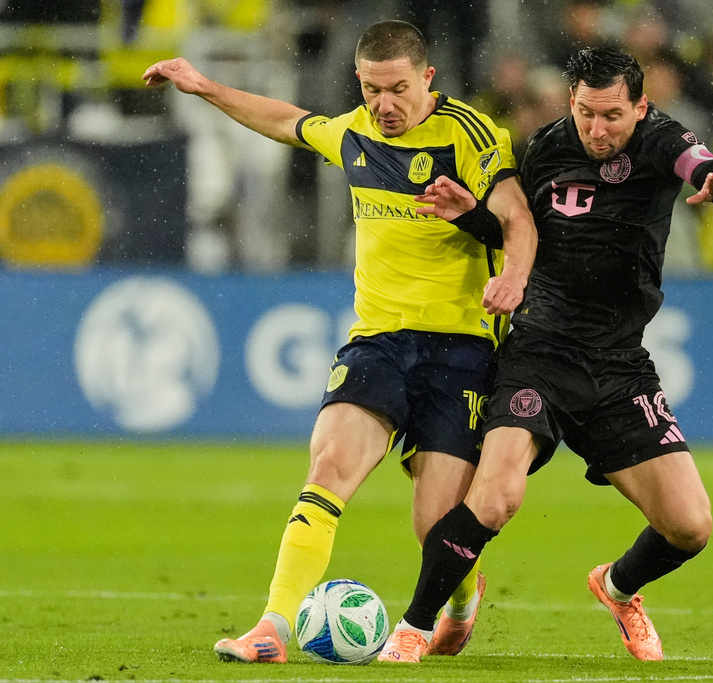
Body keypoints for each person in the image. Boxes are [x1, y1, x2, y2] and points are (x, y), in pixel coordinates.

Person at [142, 19, 537, 663]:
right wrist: (204, 86)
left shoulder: (469, 132)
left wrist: (514, 277)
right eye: (373, 89)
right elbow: (285, 119)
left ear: (427, 78)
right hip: (376, 341)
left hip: (460, 348)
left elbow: (518, 216)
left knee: (436, 525)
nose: (385, 105)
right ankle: (273, 627)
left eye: (399, 89)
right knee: (327, 470)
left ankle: (462, 598)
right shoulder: (354, 132)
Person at [375, 47, 713, 663]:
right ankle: (414, 630)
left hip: (618, 364)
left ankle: (617, 587)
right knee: (496, 498)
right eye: (585, 114)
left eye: (611, 116)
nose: (597, 130)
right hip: (539, 352)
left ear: (640, 107)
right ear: (570, 103)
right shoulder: (547, 148)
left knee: (690, 527)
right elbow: (517, 229)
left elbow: (701, 163)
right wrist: (472, 216)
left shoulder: (660, 140)